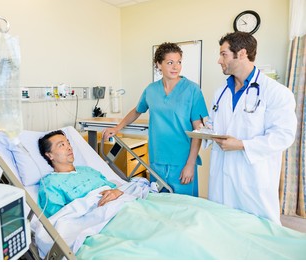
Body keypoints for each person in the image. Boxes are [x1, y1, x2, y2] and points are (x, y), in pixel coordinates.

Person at [207, 31, 297, 225]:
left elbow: (283, 136)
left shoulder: (276, 92)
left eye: (223, 54)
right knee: (222, 228)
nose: (219, 60)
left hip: (252, 178)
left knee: (258, 232)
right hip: (221, 177)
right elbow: (214, 125)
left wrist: (241, 145)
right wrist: (204, 129)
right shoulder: (220, 93)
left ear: (241, 54)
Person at [103, 42, 208, 196]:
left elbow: (198, 130)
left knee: (185, 208)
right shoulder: (151, 90)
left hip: (182, 161)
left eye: (179, 62)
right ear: (159, 64)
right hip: (157, 159)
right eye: (170, 62)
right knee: (159, 205)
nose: (175, 67)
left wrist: (190, 164)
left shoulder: (192, 90)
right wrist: (117, 128)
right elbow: (137, 111)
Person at [37, 130, 123, 217]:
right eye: (61, 145)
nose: (69, 148)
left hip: (121, 204)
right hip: (101, 216)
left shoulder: (87, 170)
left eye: (68, 143)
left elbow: (113, 188)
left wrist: (117, 192)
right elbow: (58, 218)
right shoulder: (50, 183)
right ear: (49, 155)